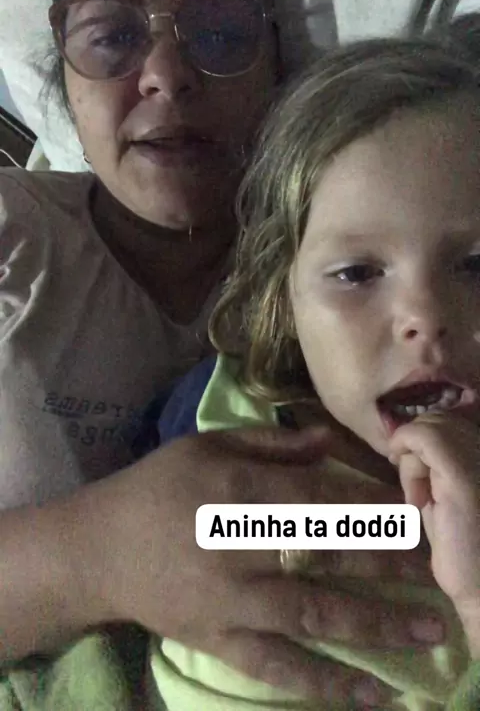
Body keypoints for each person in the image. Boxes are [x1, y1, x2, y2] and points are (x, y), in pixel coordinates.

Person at [0, 0, 443, 709]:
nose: (166, 75)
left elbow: (396, 518)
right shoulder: (12, 230)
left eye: (221, 32)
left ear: (277, 73)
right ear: (63, 81)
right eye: (111, 37)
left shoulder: (345, 274)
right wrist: (97, 555)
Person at [148, 37, 480, 710]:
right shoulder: (227, 438)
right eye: (357, 273)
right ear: (285, 301)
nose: (424, 318)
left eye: (477, 266)